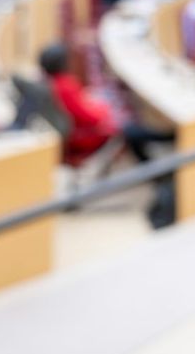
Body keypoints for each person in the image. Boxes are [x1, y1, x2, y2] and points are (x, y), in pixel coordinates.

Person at [37, 44, 176, 227]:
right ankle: (161, 162)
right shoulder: (65, 85)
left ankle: (158, 169)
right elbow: (87, 116)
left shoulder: (50, 84)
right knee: (131, 132)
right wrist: (105, 111)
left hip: (77, 136)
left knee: (131, 132)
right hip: (87, 138)